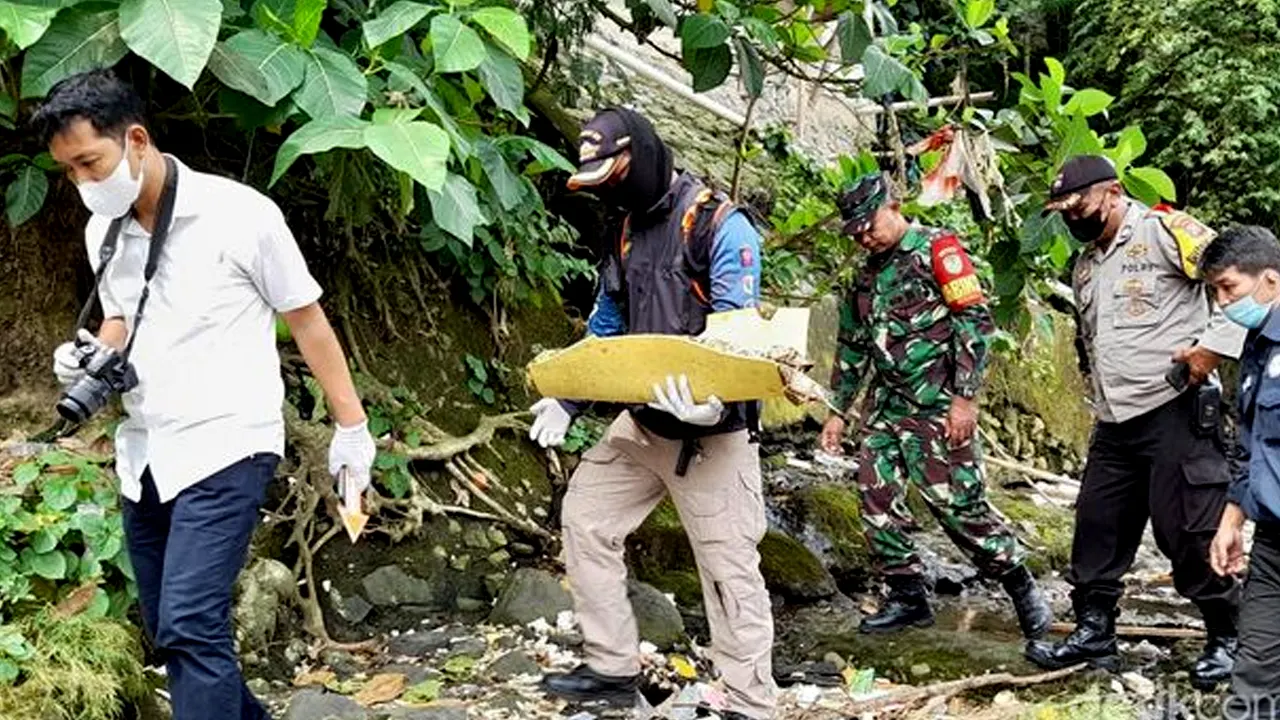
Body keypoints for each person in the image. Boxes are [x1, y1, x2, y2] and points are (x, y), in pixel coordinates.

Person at [33, 69, 376, 720]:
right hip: (147, 454)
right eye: (68, 171)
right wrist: (90, 356)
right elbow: (120, 318)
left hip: (227, 441)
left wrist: (351, 428)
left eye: (89, 162)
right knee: (174, 631)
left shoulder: (239, 214)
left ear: (135, 140)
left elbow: (306, 317)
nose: (81, 182)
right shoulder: (101, 229)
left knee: (191, 624)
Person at [527, 107, 775, 720]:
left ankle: (748, 701)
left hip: (713, 433)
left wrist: (712, 402)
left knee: (726, 564)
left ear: (639, 157)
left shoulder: (719, 226)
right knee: (585, 518)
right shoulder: (624, 229)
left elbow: (740, 339)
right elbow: (609, 324)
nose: (608, 191)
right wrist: (568, 394)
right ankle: (612, 667)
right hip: (642, 422)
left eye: (613, 176)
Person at [1026, 155, 1242, 687]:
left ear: (1114, 192)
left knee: (1189, 533)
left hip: (1177, 411)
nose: (1072, 217)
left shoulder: (1166, 231)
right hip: (1114, 419)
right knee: (1097, 527)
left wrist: (1211, 350)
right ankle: (1095, 632)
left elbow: (1244, 278)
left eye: (1079, 204)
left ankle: (1230, 635)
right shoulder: (1086, 264)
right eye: (1063, 210)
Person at [819, 171, 1052, 640]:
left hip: (938, 404)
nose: (865, 235)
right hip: (885, 406)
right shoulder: (862, 277)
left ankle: (1018, 581)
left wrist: (965, 399)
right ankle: (908, 597)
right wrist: (836, 412)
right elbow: (853, 347)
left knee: (956, 506)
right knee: (875, 498)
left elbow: (974, 321)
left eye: (871, 224)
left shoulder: (937, 251)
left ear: (895, 207)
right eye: (856, 230)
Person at [1200, 225, 1280, 716]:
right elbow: (1250, 445)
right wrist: (1232, 522)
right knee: (1254, 673)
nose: (1222, 301)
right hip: (1272, 542)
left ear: (1269, 279)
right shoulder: (1255, 347)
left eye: (1228, 287)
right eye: (1215, 291)